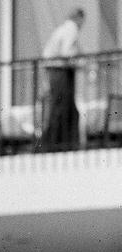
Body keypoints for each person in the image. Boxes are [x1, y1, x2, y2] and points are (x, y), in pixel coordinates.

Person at [40, 8, 85, 150]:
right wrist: (80, 64)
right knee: (61, 107)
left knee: (64, 108)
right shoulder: (71, 29)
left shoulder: (62, 29)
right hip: (60, 71)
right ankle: (55, 144)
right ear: (78, 18)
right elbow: (67, 52)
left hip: (55, 70)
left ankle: (58, 143)